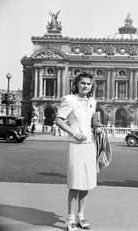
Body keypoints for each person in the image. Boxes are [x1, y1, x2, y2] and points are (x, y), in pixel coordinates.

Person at [56, 71, 97, 231]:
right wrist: (74, 132)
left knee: (87, 182)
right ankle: (70, 218)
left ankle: (81, 216)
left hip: (90, 145)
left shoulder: (93, 101)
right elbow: (59, 120)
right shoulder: (70, 100)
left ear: (92, 86)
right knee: (75, 182)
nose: (85, 86)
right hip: (75, 144)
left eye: (88, 83)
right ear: (76, 84)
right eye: (83, 83)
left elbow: (93, 122)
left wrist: (98, 128)